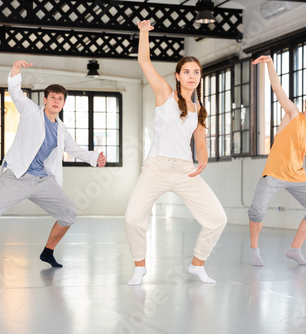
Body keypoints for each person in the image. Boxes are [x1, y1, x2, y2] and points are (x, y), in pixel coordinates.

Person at [0, 60, 106, 270]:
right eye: (53, 97)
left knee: (68, 214)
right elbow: (15, 92)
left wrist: (95, 158)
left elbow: (76, 150)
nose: (56, 101)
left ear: (63, 104)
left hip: (41, 178)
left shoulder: (61, 129)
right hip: (16, 174)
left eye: (60, 99)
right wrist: (15, 70)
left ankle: (47, 252)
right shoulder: (31, 111)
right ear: (45, 99)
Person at [125, 20, 227, 285]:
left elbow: (200, 143)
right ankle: (139, 267)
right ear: (178, 76)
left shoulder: (199, 110)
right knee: (133, 218)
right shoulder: (165, 94)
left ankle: (197, 264)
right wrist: (144, 32)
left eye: (196, 71)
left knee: (217, 219)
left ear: (199, 77)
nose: (192, 75)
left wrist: (202, 161)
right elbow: (144, 61)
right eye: (187, 71)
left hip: (185, 171)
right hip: (156, 169)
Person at [248, 55, 306, 267]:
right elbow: (278, 89)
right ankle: (254, 249)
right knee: (257, 211)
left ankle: (294, 249)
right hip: (274, 175)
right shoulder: (293, 114)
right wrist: (269, 64)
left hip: (297, 178)